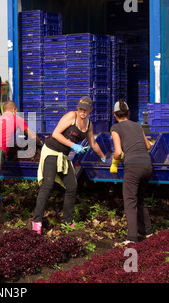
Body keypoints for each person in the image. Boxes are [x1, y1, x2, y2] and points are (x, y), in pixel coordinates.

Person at [32, 96, 106, 234]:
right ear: (78, 108)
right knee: (47, 186)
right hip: (51, 151)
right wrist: (73, 145)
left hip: (64, 156)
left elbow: (93, 143)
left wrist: (103, 157)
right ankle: (36, 222)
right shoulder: (71, 116)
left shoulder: (89, 124)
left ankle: (67, 222)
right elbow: (55, 134)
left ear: (91, 109)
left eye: (85, 109)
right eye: (80, 108)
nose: (82, 111)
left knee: (72, 186)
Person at [110, 99, 153, 245]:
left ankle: (132, 238)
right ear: (128, 113)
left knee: (130, 201)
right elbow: (147, 146)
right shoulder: (137, 125)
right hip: (147, 165)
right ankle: (148, 232)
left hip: (133, 167)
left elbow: (118, 151)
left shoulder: (115, 128)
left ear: (115, 115)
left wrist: (114, 161)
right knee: (140, 199)